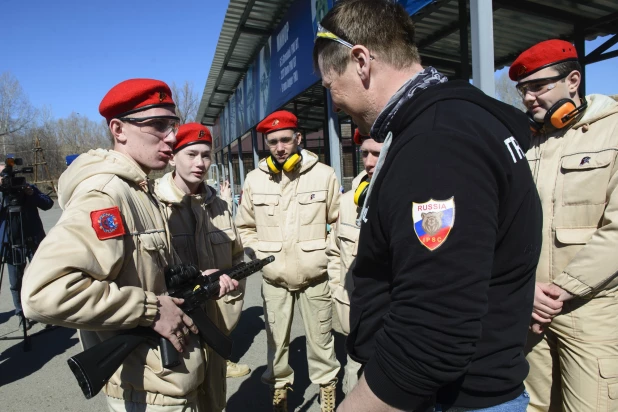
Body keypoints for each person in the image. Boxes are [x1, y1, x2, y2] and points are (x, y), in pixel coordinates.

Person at [313, 1, 542, 411]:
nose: (334, 103)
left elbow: (433, 333)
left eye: (331, 86)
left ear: (361, 61)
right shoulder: (456, 119)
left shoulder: (437, 143)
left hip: (450, 399)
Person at [20, 78, 238, 412]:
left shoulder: (140, 189)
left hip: (168, 379)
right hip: (147, 392)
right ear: (119, 130)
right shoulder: (106, 195)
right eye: (157, 125)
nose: (171, 137)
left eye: (173, 125)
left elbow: (142, 274)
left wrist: (194, 281)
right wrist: (149, 309)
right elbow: (43, 293)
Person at [509, 39, 618, 412]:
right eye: (523, 90)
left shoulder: (614, 131)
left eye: (538, 86)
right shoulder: (525, 144)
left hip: (591, 310)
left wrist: (558, 291)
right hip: (531, 310)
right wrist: (526, 292)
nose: (528, 98)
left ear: (573, 80)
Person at [235, 110, 341, 411]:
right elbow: (245, 227)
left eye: (285, 140)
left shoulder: (324, 175)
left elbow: (338, 222)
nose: (280, 148)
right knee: (276, 344)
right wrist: (261, 256)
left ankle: (327, 393)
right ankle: (280, 394)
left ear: (298, 138)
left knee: (322, 342)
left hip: (315, 279)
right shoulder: (255, 180)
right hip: (274, 280)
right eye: (272, 142)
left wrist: (324, 256)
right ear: (266, 145)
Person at [154, 122, 250, 412]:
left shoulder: (219, 207)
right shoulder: (155, 204)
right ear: (173, 156)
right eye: (191, 154)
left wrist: (227, 286)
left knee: (215, 401)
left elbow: (236, 259)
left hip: (215, 324)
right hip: (177, 329)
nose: (200, 163)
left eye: (206, 155)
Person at [326, 129, 382, 395]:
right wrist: (338, 290)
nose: (369, 162)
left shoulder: (414, 200)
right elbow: (334, 252)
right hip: (356, 323)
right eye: (365, 154)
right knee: (354, 387)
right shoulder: (348, 203)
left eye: (378, 154)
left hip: (396, 329)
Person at [0, 165, 53, 329]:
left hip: (33, 240)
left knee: (41, 278)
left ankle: (44, 312)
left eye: (8, 174)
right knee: (16, 282)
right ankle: (21, 314)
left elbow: (48, 203)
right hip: (11, 244)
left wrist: (31, 194)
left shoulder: (27, 188)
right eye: (3, 175)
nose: (7, 178)